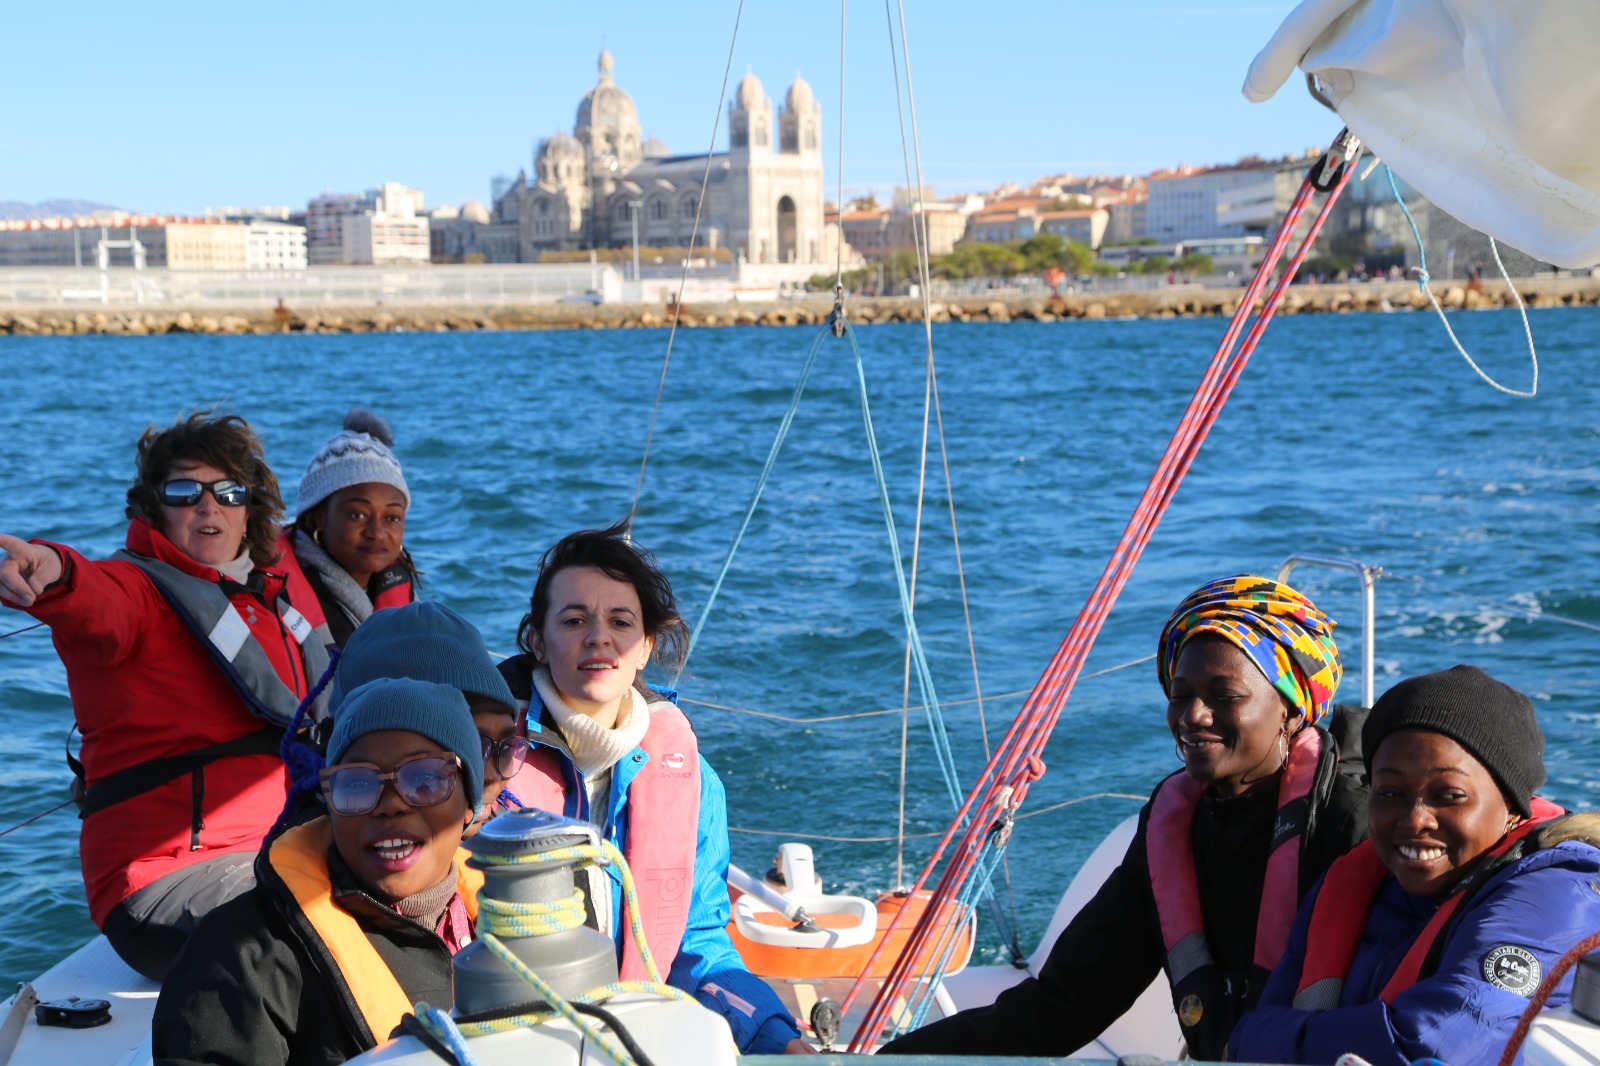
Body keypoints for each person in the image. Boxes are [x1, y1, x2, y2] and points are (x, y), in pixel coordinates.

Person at [883, 575, 1368, 1060]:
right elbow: (1064, 1003)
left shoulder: (1353, 827)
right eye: (1180, 694)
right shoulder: (1173, 833)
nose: (1193, 715)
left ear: (1291, 710)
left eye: (1224, 695)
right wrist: (890, 1060)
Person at [0, 412, 331, 981]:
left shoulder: (268, 605)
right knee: (321, 926)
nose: (209, 507)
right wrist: (51, 571)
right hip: (163, 876)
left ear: (249, 510)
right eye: (185, 492)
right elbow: (92, 598)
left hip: (280, 848)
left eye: (228, 492)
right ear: (155, 507)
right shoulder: (139, 595)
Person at [498, 522, 809, 1054]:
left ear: (644, 647)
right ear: (538, 643)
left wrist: (773, 1037)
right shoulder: (489, 764)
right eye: (573, 620)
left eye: (620, 622)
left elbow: (696, 943)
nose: (599, 637)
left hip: (628, 1042)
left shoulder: (691, 780)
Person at [1228, 665, 1600, 1065]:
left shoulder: (1556, 894)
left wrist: (1263, 1039)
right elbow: (1254, 1031)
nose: (1414, 819)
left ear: (1511, 805)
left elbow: (1429, 1043)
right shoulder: (1351, 885)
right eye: (1391, 792)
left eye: (1450, 795)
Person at [152, 676, 484, 1065]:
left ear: (469, 805)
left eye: (426, 779)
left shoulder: (514, 919)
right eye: (356, 783)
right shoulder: (239, 955)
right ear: (329, 800)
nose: (390, 805)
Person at [323, 600, 529, 837]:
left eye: (506, 748)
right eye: (474, 746)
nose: (492, 775)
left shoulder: (518, 839)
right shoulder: (297, 856)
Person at [284, 409, 417, 647]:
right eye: (357, 514)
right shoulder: (278, 596)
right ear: (318, 517)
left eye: (392, 518)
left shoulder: (402, 589)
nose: (377, 532)